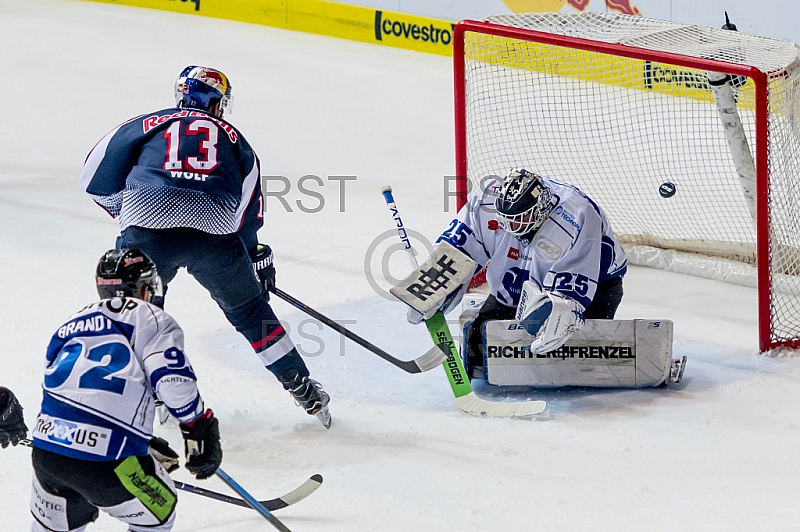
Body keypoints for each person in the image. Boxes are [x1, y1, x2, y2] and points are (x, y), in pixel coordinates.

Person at [78, 66, 330, 428]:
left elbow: (94, 175)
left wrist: (129, 216)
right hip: (214, 234)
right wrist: (252, 252)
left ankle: (139, 401)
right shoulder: (235, 137)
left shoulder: (150, 122)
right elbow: (248, 205)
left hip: (149, 226)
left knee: (138, 316)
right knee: (249, 312)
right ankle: (303, 388)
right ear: (216, 102)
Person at [30, 249, 222, 532]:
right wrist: (196, 423)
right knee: (160, 512)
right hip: (109, 464)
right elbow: (171, 381)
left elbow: (67, 389)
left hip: (47, 456)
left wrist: (137, 436)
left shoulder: (69, 324)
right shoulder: (151, 318)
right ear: (145, 288)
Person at [424, 167, 627, 377]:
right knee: (480, 351)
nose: (510, 226)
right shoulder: (487, 199)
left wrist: (562, 308)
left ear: (540, 209)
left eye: (519, 218)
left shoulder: (578, 213)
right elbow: (459, 244)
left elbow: (577, 278)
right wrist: (436, 279)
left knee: (568, 357)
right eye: (506, 218)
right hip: (517, 283)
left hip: (598, 286)